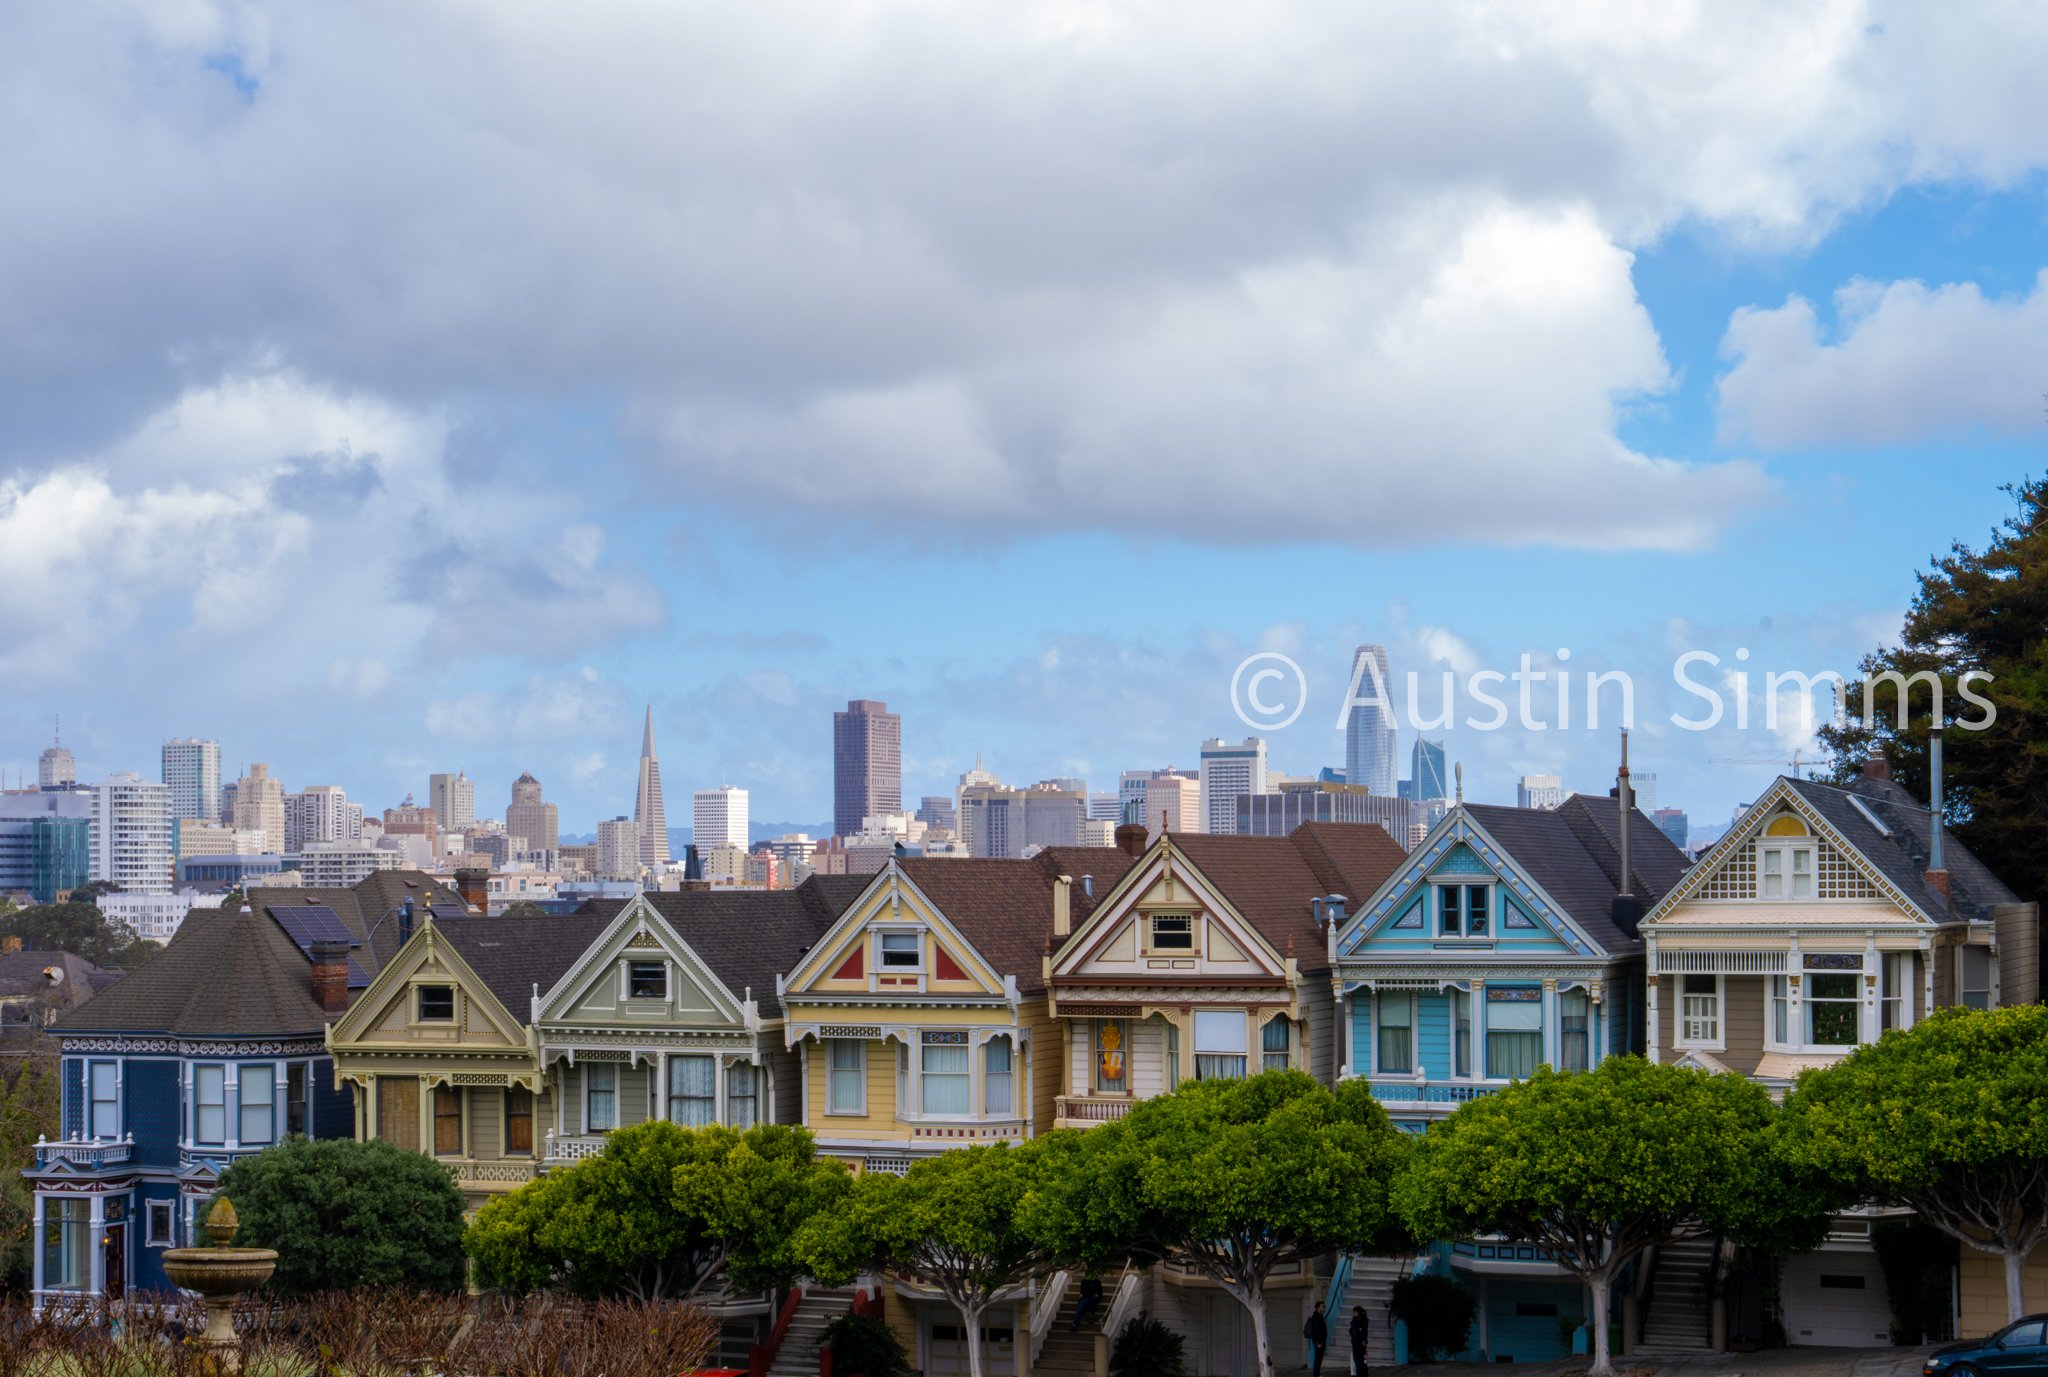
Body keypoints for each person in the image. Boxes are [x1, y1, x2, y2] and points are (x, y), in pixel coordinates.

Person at [1304, 1301, 1329, 1376]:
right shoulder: (1317, 1317)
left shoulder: (1319, 1316)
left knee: (1318, 1359)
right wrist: (1318, 1342)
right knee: (1318, 1359)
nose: (1324, 1308)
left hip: (1321, 1341)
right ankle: (1316, 1375)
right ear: (1318, 1308)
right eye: (1323, 1307)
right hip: (1319, 1342)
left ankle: (1316, 1374)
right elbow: (1315, 1331)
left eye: (1324, 1306)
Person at [1349, 1304, 1370, 1376]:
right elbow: (1364, 1332)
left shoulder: (1355, 1321)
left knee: (1358, 1362)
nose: (1353, 1314)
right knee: (1363, 1362)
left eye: (1354, 1312)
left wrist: (1351, 1331)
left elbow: (1354, 1333)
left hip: (1357, 1344)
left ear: (1357, 1312)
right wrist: (1364, 1341)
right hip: (1362, 1344)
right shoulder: (1364, 1320)